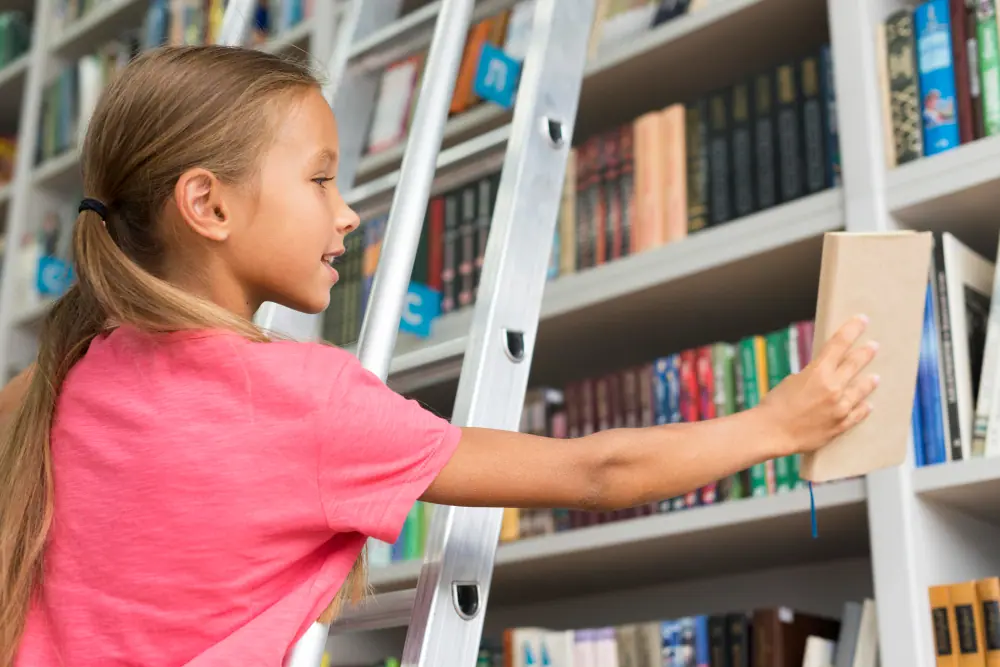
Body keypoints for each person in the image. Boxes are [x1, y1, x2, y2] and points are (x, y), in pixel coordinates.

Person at [0, 45, 878, 666]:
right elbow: (596, 470)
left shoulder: (59, 375)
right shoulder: (306, 398)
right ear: (208, 204)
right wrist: (777, 421)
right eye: (319, 178)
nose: (346, 212)